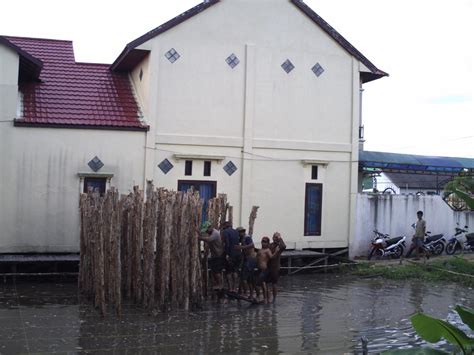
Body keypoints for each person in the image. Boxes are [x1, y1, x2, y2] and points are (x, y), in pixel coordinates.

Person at [198, 221, 225, 292]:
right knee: (214, 271)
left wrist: (200, 238)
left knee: (217, 271)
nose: (206, 231)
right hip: (214, 255)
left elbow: (208, 239)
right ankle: (217, 284)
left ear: (210, 227)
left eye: (207, 230)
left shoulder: (215, 233)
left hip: (219, 255)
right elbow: (204, 235)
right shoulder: (211, 233)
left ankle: (220, 284)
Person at [256, 236, 279, 304]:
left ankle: (262, 298)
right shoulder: (260, 250)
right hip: (259, 269)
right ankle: (265, 298)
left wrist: (276, 251)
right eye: (262, 241)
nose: (263, 243)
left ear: (268, 243)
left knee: (259, 284)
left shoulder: (267, 250)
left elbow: (271, 257)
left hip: (264, 270)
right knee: (263, 284)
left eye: (265, 242)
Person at [236, 227, 257, 298]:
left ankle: (246, 293)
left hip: (250, 259)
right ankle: (250, 294)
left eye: (238, 233)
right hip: (246, 259)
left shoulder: (247, 237)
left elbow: (252, 245)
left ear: (241, 232)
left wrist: (241, 247)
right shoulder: (241, 238)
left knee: (244, 278)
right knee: (248, 279)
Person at [222, 221, 242, 292]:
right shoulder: (236, 231)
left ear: (225, 226)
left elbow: (227, 243)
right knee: (235, 270)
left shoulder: (225, 232)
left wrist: (227, 253)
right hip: (238, 253)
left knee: (229, 271)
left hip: (231, 253)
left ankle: (230, 288)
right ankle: (235, 288)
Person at [268, 232, 286, 302]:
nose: (275, 238)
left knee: (274, 283)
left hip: (275, 267)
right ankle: (268, 297)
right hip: (268, 266)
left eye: (276, 237)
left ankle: (274, 298)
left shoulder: (279, 246)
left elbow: (284, 246)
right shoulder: (270, 245)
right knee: (267, 282)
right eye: (274, 237)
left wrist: (280, 238)